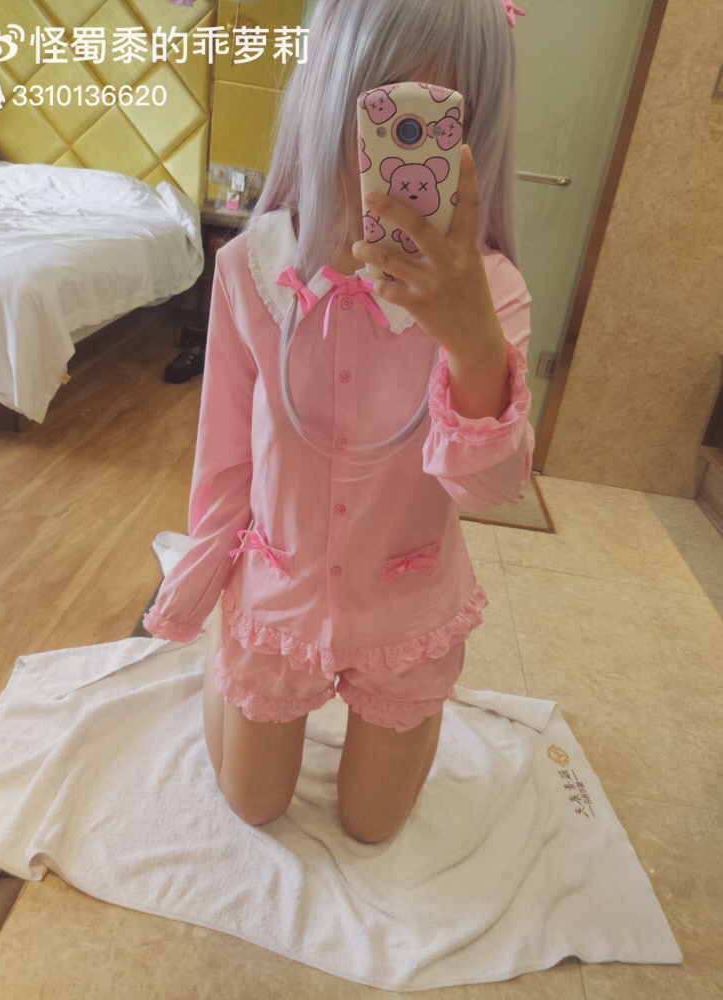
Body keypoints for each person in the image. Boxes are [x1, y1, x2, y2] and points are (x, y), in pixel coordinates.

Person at [143, 0, 534, 844]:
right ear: (327, 92)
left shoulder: (493, 294)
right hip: (278, 596)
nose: (400, 156)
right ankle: (229, 663)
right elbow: (225, 459)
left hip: (406, 606)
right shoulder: (251, 269)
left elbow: (492, 487)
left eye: (435, 120)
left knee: (372, 825)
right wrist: (200, 586)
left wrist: (473, 346)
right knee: (252, 802)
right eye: (382, 110)